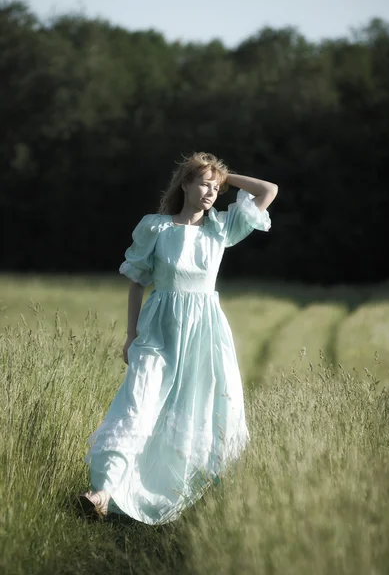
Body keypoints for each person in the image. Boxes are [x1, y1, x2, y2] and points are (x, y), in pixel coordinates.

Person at [79, 152, 278, 523]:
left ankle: (185, 495)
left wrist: (224, 177)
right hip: (158, 330)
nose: (211, 192)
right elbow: (137, 282)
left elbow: (269, 190)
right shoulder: (156, 228)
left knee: (198, 409)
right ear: (184, 183)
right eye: (203, 183)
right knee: (137, 403)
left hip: (205, 331)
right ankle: (103, 492)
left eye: (216, 189)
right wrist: (130, 335)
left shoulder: (221, 228)